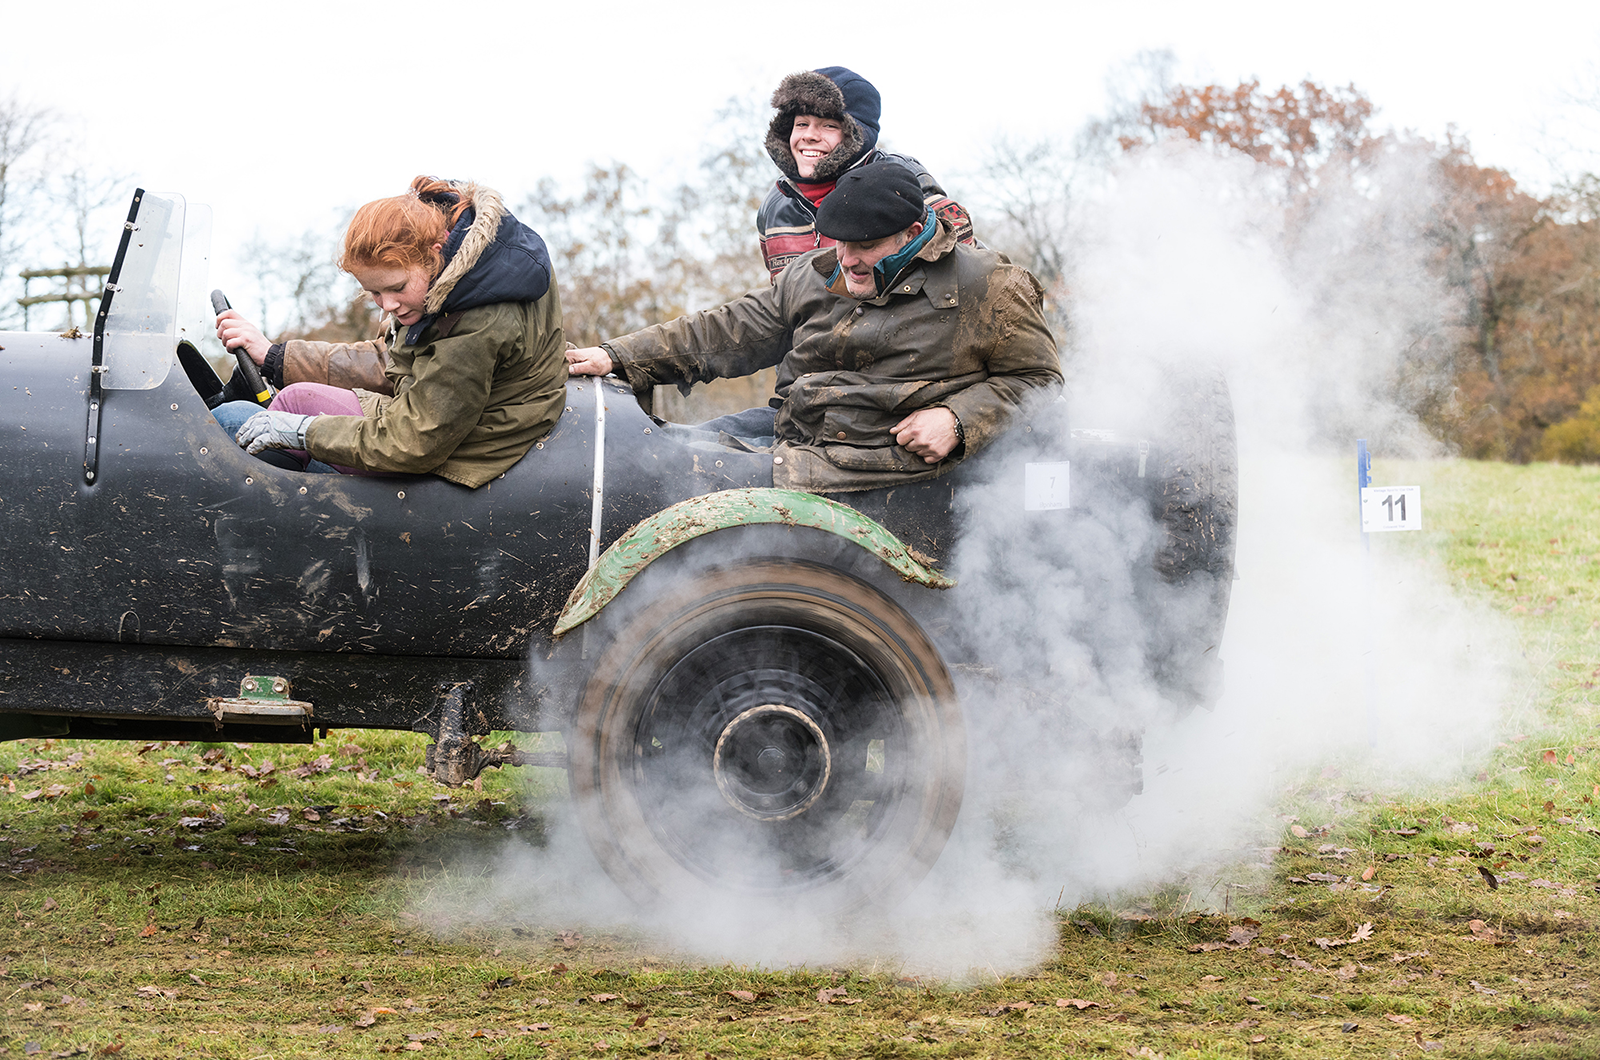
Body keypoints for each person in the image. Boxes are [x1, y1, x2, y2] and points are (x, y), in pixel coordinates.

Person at [566, 164, 1061, 493]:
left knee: (693, 491)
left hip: (875, 463)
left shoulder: (990, 285)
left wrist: (957, 419)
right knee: (659, 459)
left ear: (912, 234)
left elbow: (1038, 382)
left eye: (864, 245)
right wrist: (620, 357)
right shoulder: (816, 271)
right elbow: (728, 329)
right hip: (794, 433)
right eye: (839, 242)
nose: (846, 261)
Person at [212, 177, 567, 488]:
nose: (387, 306)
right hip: (449, 420)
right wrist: (275, 357)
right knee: (272, 407)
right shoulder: (449, 280)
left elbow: (416, 441)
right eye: (374, 293)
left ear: (435, 251)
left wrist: (303, 431)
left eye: (395, 287)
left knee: (252, 414)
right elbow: (396, 361)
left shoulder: (479, 316)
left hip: (473, 444)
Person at [757, 66, 975, 282]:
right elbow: (780, 301)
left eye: (829, 126)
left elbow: (968, 268)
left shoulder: (904, 179)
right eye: (801, 124)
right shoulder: (774, 205)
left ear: (857, 134)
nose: (810, 135)